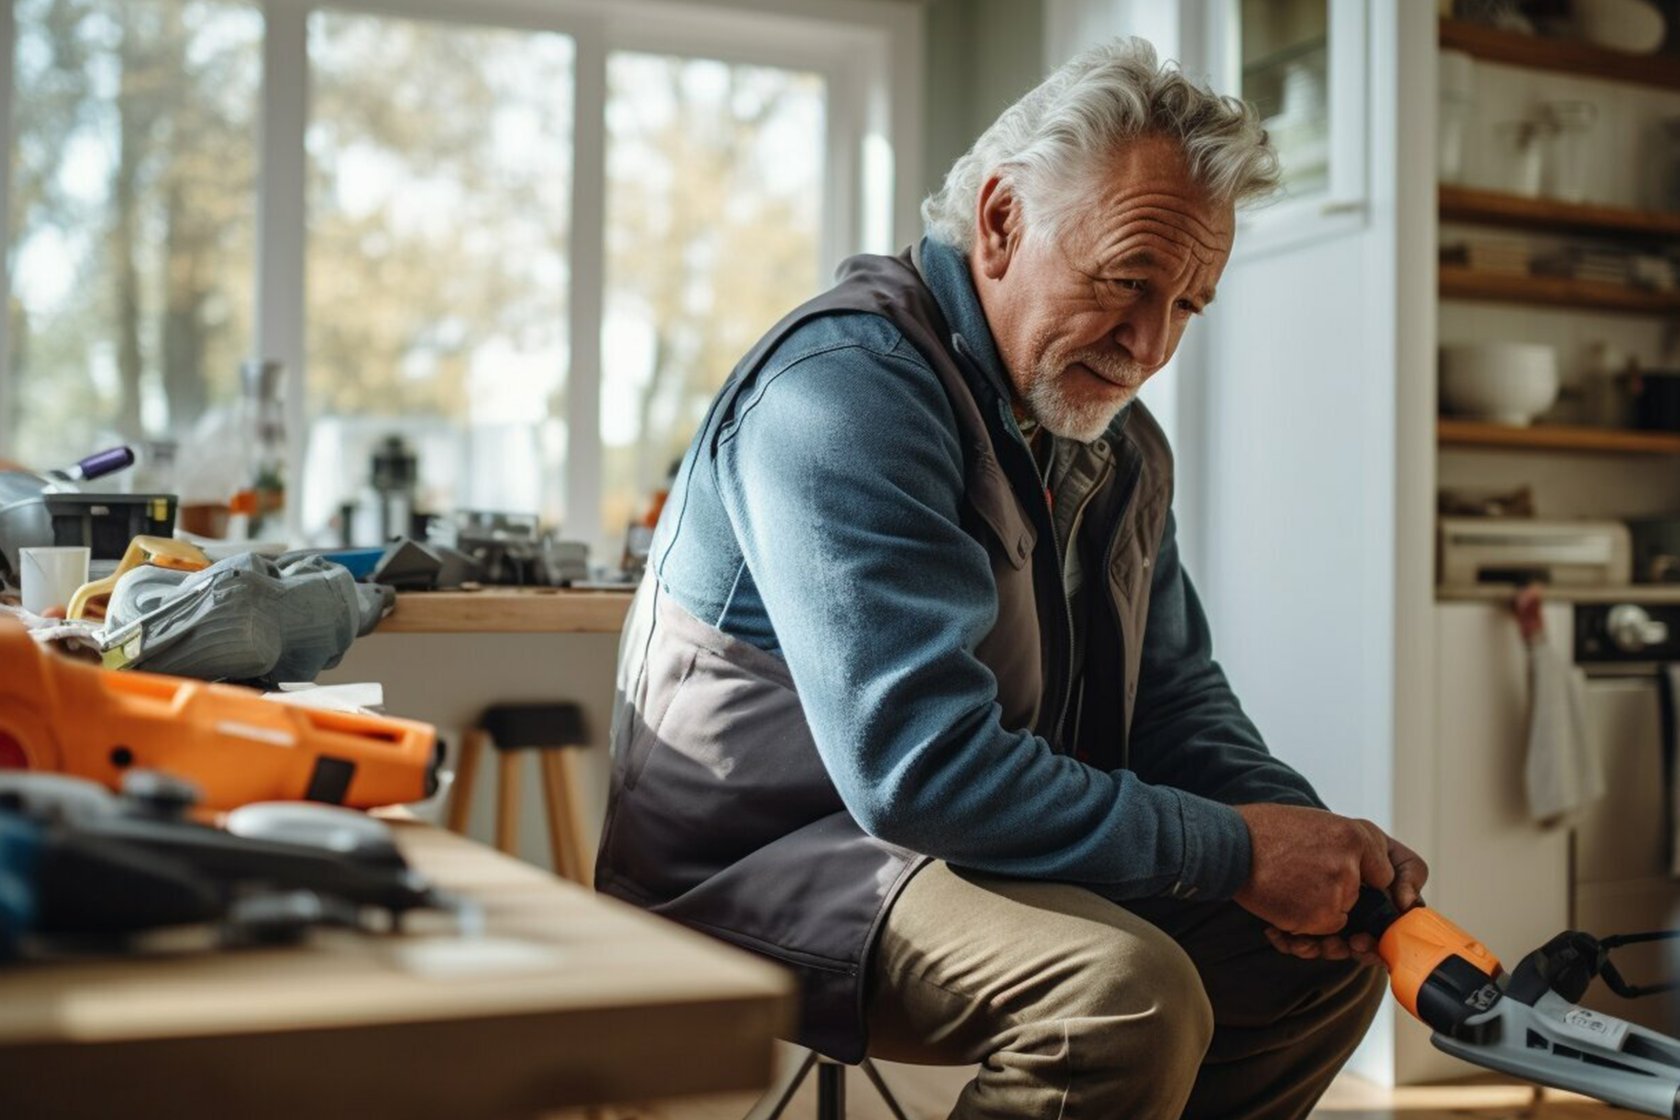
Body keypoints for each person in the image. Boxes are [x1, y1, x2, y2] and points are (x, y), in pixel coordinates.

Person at [595, 37, 1426, 1120]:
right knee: (1120, 999)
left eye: (1187, 305)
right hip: (764, 863)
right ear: (1000, 222)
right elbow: (920, 770)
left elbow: (1175, 702)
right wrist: (1235, 851)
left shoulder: (1120, 447)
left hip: (961, 846)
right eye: (1127, 280)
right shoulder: (846, 392)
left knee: (1316, 967)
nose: (1149, 345)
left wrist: (1314, 847)